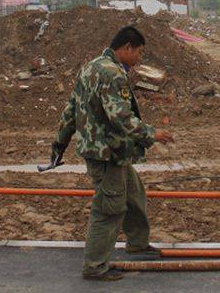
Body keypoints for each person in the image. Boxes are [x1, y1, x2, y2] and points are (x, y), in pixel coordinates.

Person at [50, 25, 175, 281]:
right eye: (138, 52)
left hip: (112, 152)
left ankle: (138, 244)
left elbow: (70, 110)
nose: (139, 58)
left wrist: (59, 144)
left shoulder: (90, 68)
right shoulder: (113, 74)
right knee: (109, 208)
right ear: (127, 47)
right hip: (107, 154)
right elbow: (120, 117)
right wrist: (152, 134)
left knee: (134, 194)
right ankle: (95, 267)